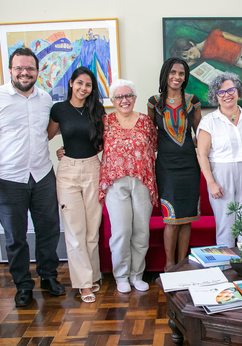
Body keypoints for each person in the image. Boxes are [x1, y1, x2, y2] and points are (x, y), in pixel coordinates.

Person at [0, 48, 65, 307]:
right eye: (19, 68)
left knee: (49, 231)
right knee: (15, 236)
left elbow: (47, 133)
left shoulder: (45, 99)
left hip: (42, 174)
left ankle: (48, 276)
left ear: (37, 71)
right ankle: (23, 285)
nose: (24, 72)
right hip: (7, 179)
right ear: (10, 70)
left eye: (30, 68)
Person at [47, 67, 105, 303]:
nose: (83, 88)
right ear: (71, 83)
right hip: (68, 172)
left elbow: (101, 143)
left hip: (94, 168)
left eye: (88, 85)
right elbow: (48, 136)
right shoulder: (59, 109)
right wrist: (61, 151)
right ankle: (83, 285)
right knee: (74, 231)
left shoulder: (97, 110)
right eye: (80, 83)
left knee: (92, 230)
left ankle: (92, 276)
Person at [99, 79, 158, 293]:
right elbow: (91, 145)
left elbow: (155, 146)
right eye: (119, 96)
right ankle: (121, 276)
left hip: (142, 181)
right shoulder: (105, 122)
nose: (124, 100)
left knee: (141, 231)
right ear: (113, 100)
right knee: (122, 231)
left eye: (128, 96)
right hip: (115, 183)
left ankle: (137, 275)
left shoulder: (145, 122)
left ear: (134, 98)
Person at [147, 58, 202, 272]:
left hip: (190, 164)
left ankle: (183, 263)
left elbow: (201, 132)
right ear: (165, 74)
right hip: (167, 167)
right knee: (171, 219)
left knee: (187, 218)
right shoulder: (153, 102)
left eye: (181, 73)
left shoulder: (193, 101)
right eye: (173, 72)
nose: (177, 77)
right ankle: (170, 265)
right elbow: (150, 136)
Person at [196, 72, 242, 247]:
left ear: (238, 91)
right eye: (221, 92)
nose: (227, 95)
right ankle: (226, 269)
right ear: (215, 97)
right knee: (226, 224)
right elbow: (202, 154)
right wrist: (211, 183)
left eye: (231, 89)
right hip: (220, 175)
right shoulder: (208, 121)